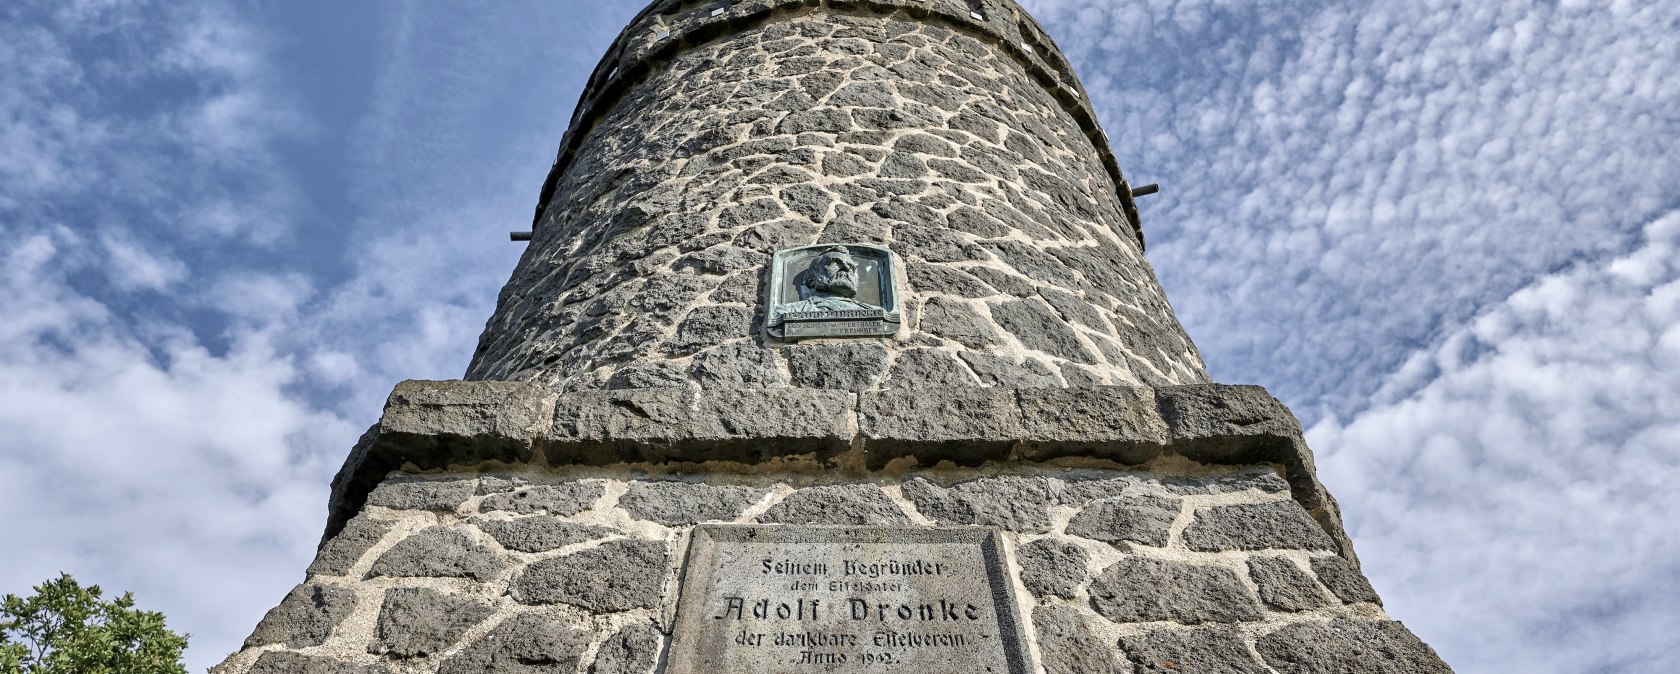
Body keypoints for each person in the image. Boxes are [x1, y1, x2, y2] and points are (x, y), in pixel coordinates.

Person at [770, 246, 883, 326]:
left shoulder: (876, 313)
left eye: (851, 267)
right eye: (833, 263)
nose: (846, 269)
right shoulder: (788, 311)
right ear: (811, 279)